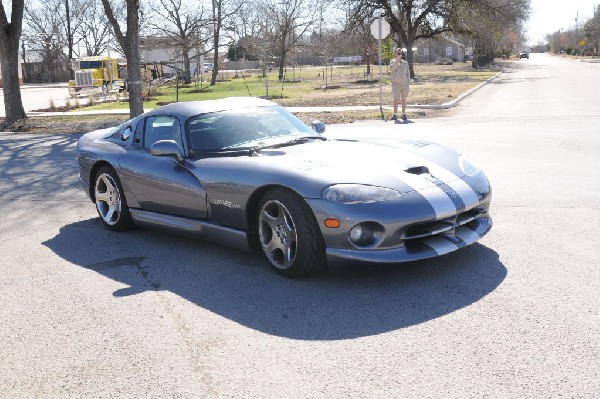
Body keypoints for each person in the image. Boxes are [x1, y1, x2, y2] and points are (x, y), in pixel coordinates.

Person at [390, 47, 410, 121]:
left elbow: (408, 73)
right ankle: (395, 114)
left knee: (404, 99)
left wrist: (408, 81)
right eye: (398, 53)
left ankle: (403, 114)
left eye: (400, 53)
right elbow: (392, 69)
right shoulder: (392, 61)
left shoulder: (405, 63)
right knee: (396, 99)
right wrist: (397, 62)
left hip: (404, 84)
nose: (399, 54)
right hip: (396, 83)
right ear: (395, 54)